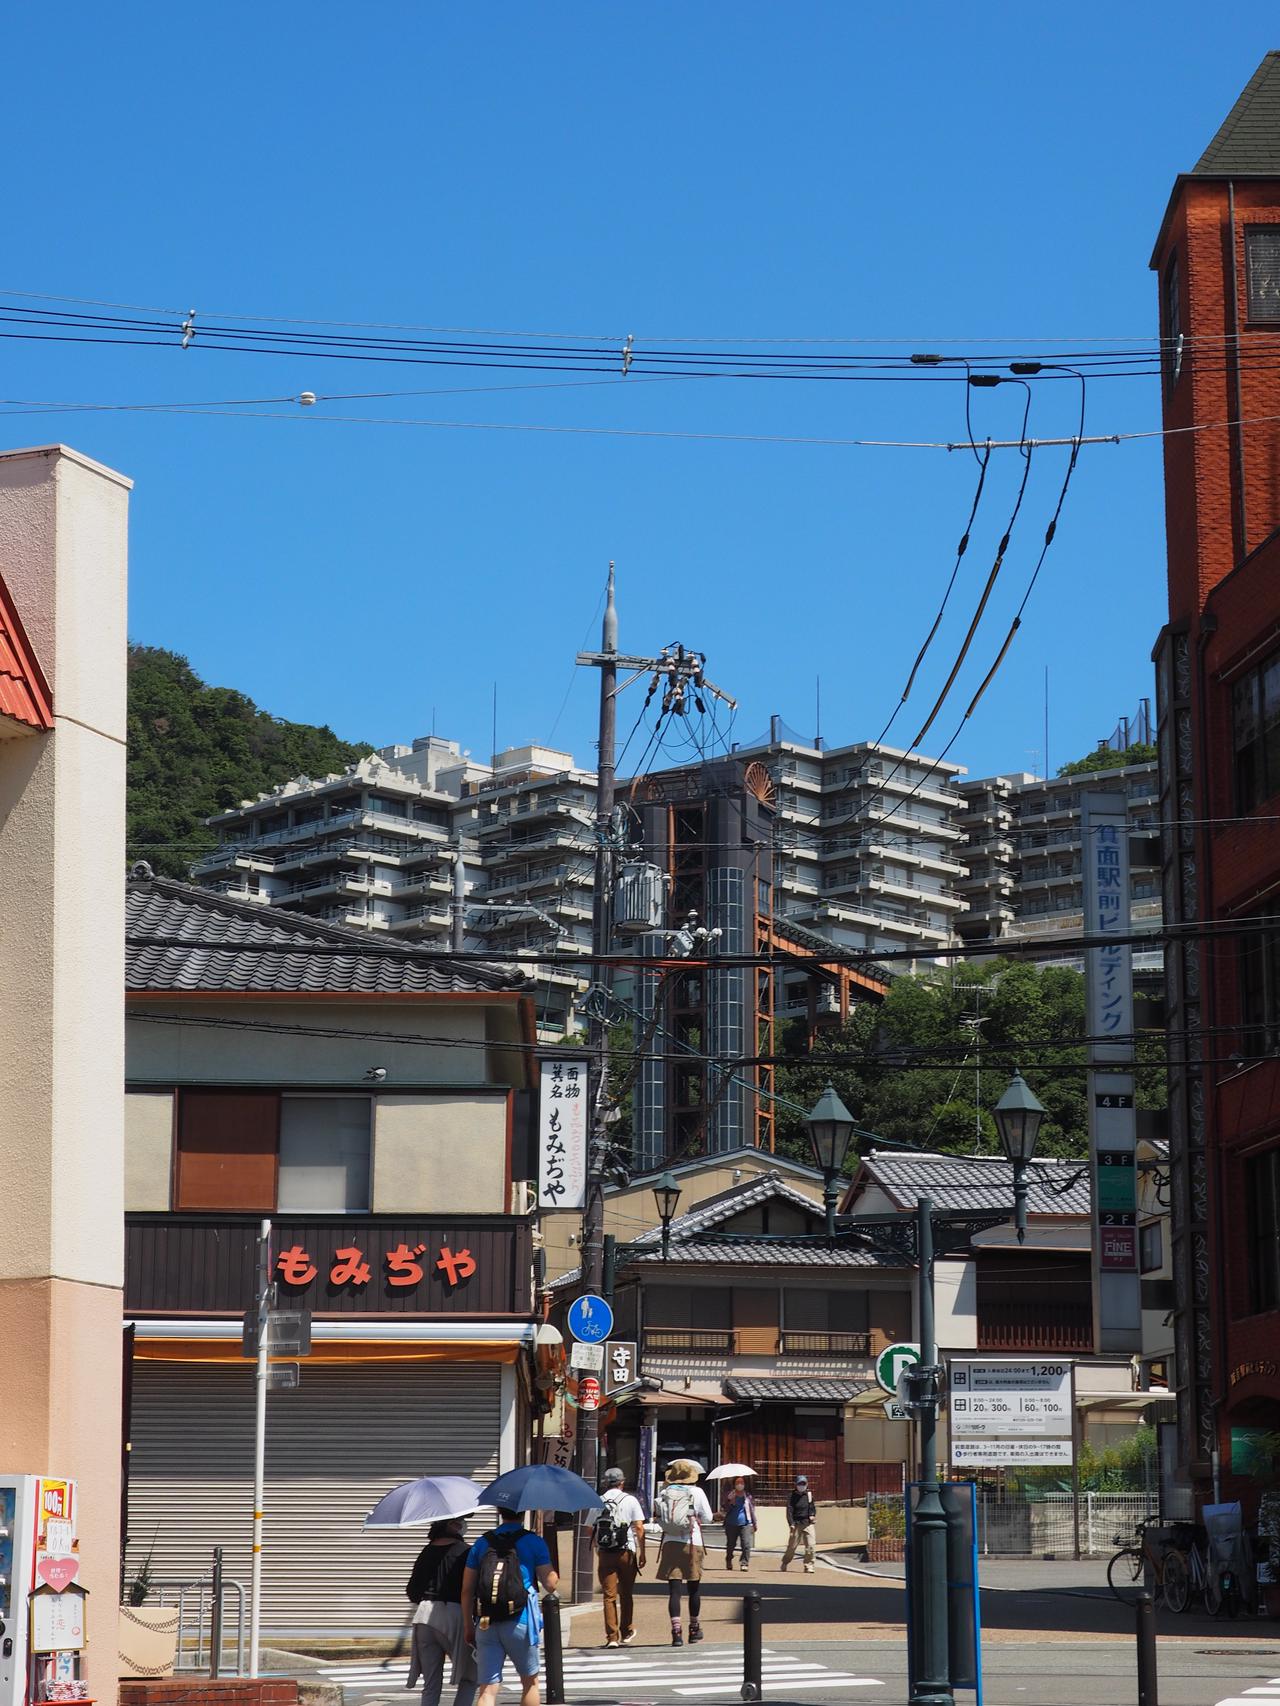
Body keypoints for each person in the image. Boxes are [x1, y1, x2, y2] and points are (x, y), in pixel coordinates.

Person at [461, 1506, 558, 1706]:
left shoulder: (481, 1543)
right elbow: (550, 1585)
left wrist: (468, 1626)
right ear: (523, 1512)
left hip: (486, 1622)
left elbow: (466, 1590)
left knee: (487, 1689)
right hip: (520, 1620)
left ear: (499, 1511)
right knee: (530, 1683)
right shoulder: (534, 1542)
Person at [406, 1518, 476, 1706]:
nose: (463, 1524)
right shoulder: (465, 1552)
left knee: (430, 1682)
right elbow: (471, 1589)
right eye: (460, 1521)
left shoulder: (426, 1551)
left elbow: (412, 1591)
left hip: (423, 1616)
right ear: (451, 1524)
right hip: (453, 1615)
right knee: (469, 1675)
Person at [653, 1459, 713, 1646]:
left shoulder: (664, 1492)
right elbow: (708, 1518)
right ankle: (694, 1629)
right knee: (693, 1588)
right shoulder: (697, 1492)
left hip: (670, 1543)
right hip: (692, 1543)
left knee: (674, 1591)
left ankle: (676, 1632)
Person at [592, 1466, 646, 1648]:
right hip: (626, 1551)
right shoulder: (630, 1500)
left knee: (609, 1596)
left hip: (606, 1552)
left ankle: (612, 1637)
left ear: (606, 1483)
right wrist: (643, 1551)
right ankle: (627, 1630)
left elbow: (589, 1528)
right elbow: (639, 1527)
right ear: (622, 1482)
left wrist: (598, 1548)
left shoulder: (598, 1500)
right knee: (626, 1593)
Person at [781, 1474, 816, 1573]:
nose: (802, 1485)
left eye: (804, 1483)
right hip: (796, 1524)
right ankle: (785, 1562)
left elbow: (812, 1507)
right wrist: (791, 1523)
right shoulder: (792, 1496)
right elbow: (789, 1510)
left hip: (808, 1523)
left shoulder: (809, 1495)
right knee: (792, 1547)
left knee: (811, 1545)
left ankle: (808, 1565)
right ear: (795, 1484)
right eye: (800, 1483)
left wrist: (812, 1515)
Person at [722, 1476, 757, 1572]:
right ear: (734, 1484)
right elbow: (725, 1508)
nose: (740, 1484)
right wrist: (730, 1502)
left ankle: (744, 1563)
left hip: (745, 1523)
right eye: (738, 1482)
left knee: (746, 1544)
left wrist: (754, 1523)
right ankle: (729, 1559)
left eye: (741, 1482)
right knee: (731, 1544)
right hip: (731, 1524)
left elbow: (752, 1510)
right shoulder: (730, 1495)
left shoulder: (748, 1496)